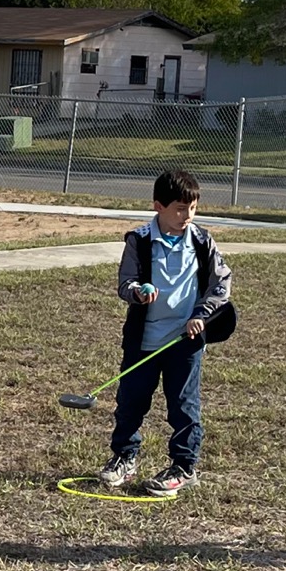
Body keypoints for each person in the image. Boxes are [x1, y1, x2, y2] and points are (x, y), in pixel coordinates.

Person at [102, 169, 235, 497]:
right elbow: (125, 282)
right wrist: (137, 292)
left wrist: (201, 316)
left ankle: (184, 466)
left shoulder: (202, 242)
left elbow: (222, 284)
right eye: (179, 208)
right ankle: (124, 457)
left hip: (185, 341)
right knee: (131, 401)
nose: (186, 216)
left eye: (192, 208)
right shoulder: (140, 240)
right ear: (158, 206)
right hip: (144, 340)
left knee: (183, 404)